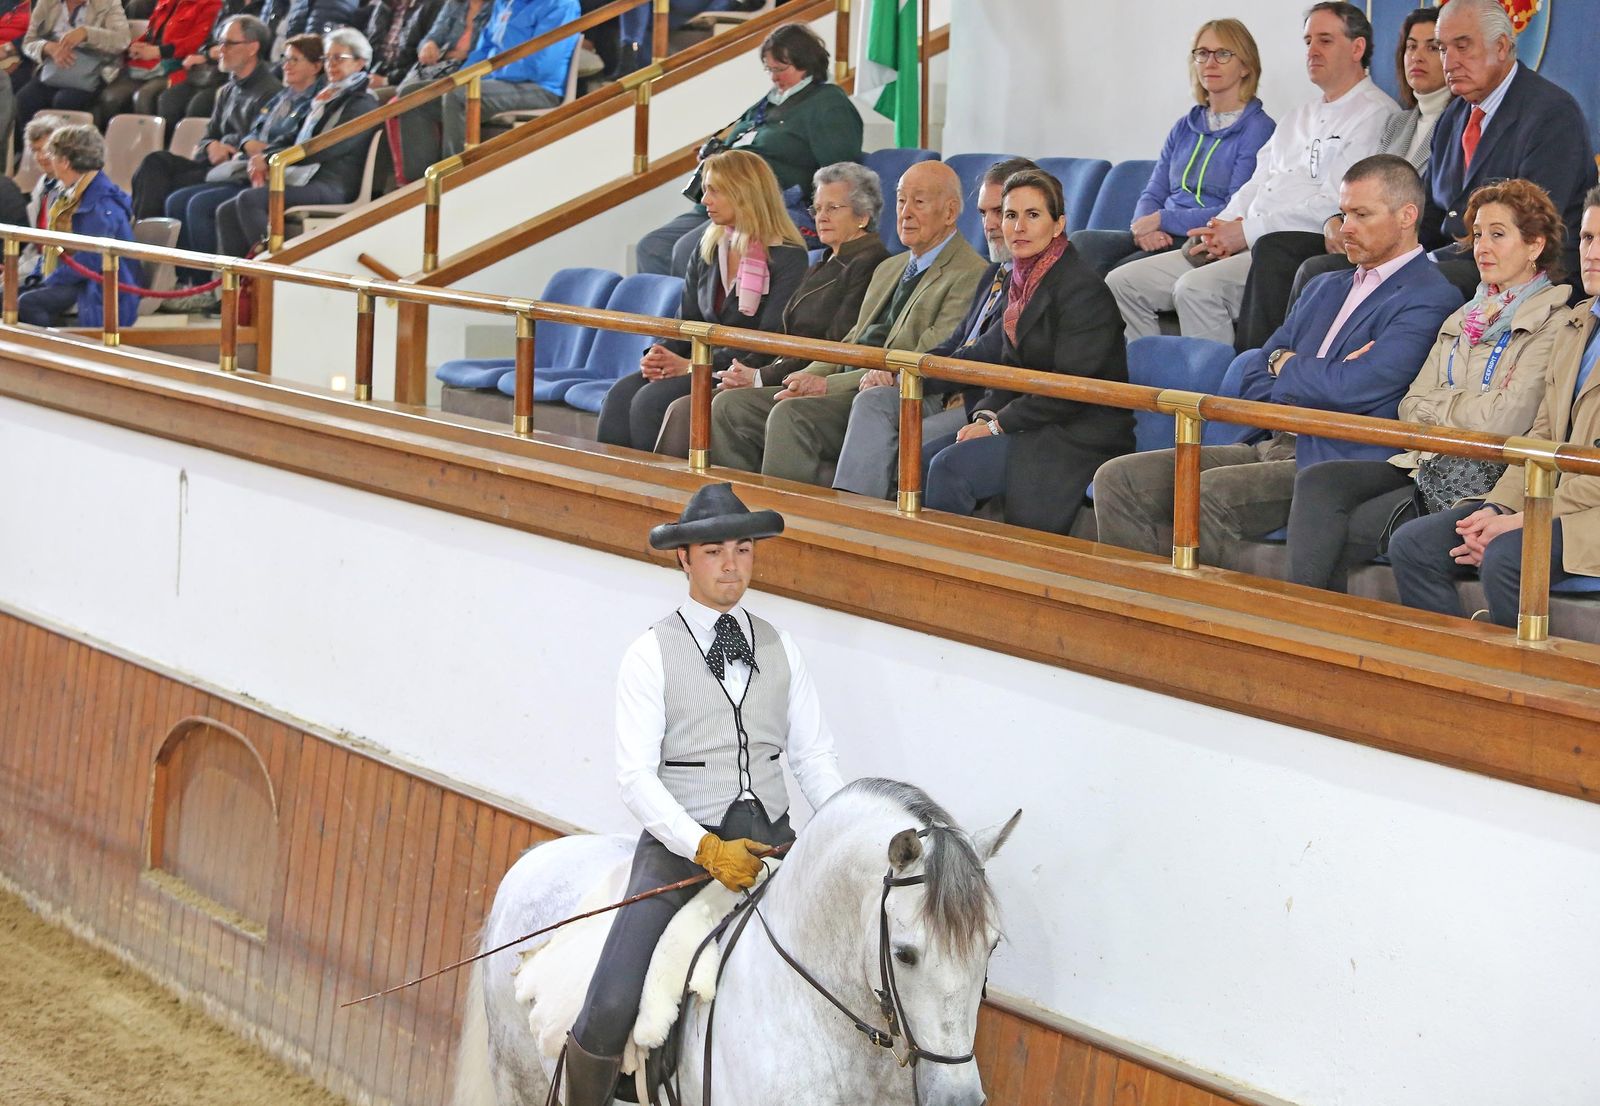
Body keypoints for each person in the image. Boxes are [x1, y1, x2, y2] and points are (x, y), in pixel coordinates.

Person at [561, 481, 845, 1106]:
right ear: (684, 559)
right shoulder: (649, 654)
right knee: (611, 1000)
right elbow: (635, 777)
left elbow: (813, 755)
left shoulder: (781, 645)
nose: (731, 565)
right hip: (682, 851)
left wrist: (846, 824)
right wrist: (706, 848)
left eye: (742, 550)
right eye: (714, 552)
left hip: (775, 847)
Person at [1094, 156, 1462, 571]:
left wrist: (1287, 365)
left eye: (1361, 214)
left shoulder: (1430, 296)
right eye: (1343, 214)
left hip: (1335, 460)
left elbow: (1357, 387)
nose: (1346, 228)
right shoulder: (1324, 285)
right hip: (1269, 441)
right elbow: (1254, 372)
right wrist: (1301, 370)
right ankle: (1141, 616)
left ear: (1407, 216)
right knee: (1118, 479)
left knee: (1205, 492)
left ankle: (1213, 628)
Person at [1287, 178, 1569, 591]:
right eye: (1476, 235)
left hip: (1486, 478)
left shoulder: (1554, 321)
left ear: (1534, 246)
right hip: (1427, 462)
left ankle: (1317, 632)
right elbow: (1410, 403)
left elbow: (1506, 418)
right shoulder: (1464, 314)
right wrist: (1461, 407)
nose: (1482, 248)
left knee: (1344, 528)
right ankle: (1308, 629)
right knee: (1319, 481)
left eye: (1497, 235)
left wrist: (1442, 407)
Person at [1105, 2, 1395, 348]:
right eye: (1307, 42)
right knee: (1123, 282)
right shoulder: (1297, 115)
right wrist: (1220, 228)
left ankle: (1214, 397)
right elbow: (1256, 183)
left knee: (1196, 289)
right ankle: (1153, 391)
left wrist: (1244, 231)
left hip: (1288, 245)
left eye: (1325, 41)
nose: (1312, 51)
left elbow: (1335, 205)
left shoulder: (1375, 114)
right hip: (1241, 237)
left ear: (1357, 48)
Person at [1388, 187, 1600, 627]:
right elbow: (1538, 440)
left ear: (1535, 246)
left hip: (1586, 509)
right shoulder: (1579, 325)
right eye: (1586, 238)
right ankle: (1453, 678)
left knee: (1506, 554)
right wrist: (1497, 509)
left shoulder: (1558, 318)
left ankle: (1523, 689)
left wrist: (1525, 518)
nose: (1592, 254)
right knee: (1414, 544)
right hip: (1549, 499)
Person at [708, 159, 987, 484]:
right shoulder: (891, 267)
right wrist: (803, 377)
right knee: (731, 406)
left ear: (951, 212)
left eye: (919, 202)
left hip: (899, 396)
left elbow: (928, 354)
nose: (905, 212)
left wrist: (827, 385)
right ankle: (732, 517)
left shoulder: (970, 273)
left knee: (791, 415)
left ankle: (792, 527)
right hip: (848, 382)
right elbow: (849, 342)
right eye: (901, 200)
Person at [923, 169, 1134, 535]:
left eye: (1032, 215)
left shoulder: (1082, 289)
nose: (1018, 226)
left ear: (1058, 225)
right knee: (923, 456)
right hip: (1032, 419)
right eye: (1010, 215)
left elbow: (1070, 387)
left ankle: (958, 580)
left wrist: (996, 424)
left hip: (1075, 431)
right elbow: (1010, 368)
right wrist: (984, 416)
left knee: (949, 467)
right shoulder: (1020, 282)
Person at [1240, 6, 1452, 345]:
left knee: (1292, 257)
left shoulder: (1454, 122)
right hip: (1363, 229)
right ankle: (1256, 367)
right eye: (1412, 46)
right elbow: (1366, 187)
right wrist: (1333, 220)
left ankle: (1274, 363)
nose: (1419, 56)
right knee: (1278, 249)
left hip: (1408, 240)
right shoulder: (1400, 122)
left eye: (1433, 47)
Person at [654, 159, 890, 458]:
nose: (821, 218)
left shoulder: (869, 264)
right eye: (817, 209)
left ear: (863, 215)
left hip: (813, 380)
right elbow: (783, 334)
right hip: (782, 369)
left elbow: (832, 344)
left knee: (698, 406)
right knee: (672, 404)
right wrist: (747, 370)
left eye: (833, 208)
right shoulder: (827, 260)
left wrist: (758, 376)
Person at [831, 156, 1036, 500]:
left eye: (1002, 213)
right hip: (946, 388)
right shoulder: (995, 274)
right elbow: (957, 344)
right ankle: (853, 517)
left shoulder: (1036, 284)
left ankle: (891, 535)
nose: (990, 224)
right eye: (984, 213)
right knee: (873, 402)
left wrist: (915, 375)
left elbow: (987, 354)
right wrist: (903, 375)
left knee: (916, 439)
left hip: (984, 402)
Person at [596, 149, 809, 453]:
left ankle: (655, 493)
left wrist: (691, 366)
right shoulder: (709, 247)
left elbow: (764, 340)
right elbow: (686, 319)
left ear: (746, 194)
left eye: (714, 191)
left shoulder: (788, 256)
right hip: (698, 361)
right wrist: (657, 354)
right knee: (620, 394)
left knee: (650, 401)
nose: (705, 200)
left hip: (739, 369)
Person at [635, 23, 863, 277]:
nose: (774, 76)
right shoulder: (769, 102)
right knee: (652, 247)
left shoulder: (827, 103)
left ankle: (693, 316)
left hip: (764, 207)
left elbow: (840, 171)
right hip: (719, 201)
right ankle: (663, 315)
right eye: (769, 69)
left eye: (780, 68)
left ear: (806, 62)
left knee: (687, 250)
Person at [1071, 19, 1274, 277]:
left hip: (1200, 237)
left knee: (1118, 274)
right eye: (1202, 53)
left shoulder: (1258, 129)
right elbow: (1155, 190)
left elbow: (1234, 209)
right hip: (1160, 233)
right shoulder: (1184, 126)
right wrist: (1146, 228)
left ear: (1246, 66)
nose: (1210, 62)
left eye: (1223, 54)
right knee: (1082, 244)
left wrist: (1163, 220)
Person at [1421, 0, 1594, 293]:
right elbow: (1429, 215)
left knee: (1417, 284)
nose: (1448, 63)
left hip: (1531, 275)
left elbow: (1529, 228)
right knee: (1338, 273)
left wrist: (1427, 263)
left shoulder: (1552, 113)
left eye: (1462, 47)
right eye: (1442, 48)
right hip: (1461, 265)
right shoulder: (1452, 117)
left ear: (1501, 47)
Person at [213, 27, 378, 257]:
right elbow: (293, 136)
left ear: (360, 63)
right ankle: (237, 286)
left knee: (250, 200)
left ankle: (274, 273)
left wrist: (273, 159)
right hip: (308, 177)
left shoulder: (362, 103)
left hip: (332, 183)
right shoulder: (326, 98)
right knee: (226, 210)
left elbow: (326, 147)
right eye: (327, 58)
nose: (331, 64)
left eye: (339, 58)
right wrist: (265, 156)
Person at [163, 32, 323, 263]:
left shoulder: (313, 104)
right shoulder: (281, 97)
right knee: (176, 199)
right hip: (247, 168)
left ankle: (208, 284)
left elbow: (295, 143)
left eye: (294, 60)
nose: (286, 65)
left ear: (316, 66)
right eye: (285, 59)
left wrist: (263, 151)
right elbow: (251, 133)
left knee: (198, 204)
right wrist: (248, 144)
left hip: (273, 175)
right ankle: (188, 281)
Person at [387, 0, 578, 185]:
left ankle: (454, 181)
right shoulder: (505, 3)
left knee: (460, 96)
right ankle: (420, 185)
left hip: (539, 88)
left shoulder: (561, 4)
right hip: (495, 81)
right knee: (413, 95)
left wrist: (481, 77)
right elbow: (483, 50)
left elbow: (541, 65)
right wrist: (461, 78)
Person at [130, 14, 280, 221]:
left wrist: (228, 146)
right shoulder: (229, 89)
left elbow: (262, 141)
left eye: (228, 43)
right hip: (214, 165)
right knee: (155, 162)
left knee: (165, 185)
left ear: (252, 48)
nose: (221, 50)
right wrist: (210, 146)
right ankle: (143, 239)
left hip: (238, 170)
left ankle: (148, 244)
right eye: (220, 43)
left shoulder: (270, 91)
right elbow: (208, 137)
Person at [16, 123, 140, 327]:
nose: (50, 162)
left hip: (98, 282)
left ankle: (52, 355)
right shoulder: (70, 193)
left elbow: (93, 257)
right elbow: (54, 247)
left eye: (53, 156)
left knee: (29, 303)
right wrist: (37, 275)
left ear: (64, 162)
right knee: (6, 295)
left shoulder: (100, 201)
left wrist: (52, 279)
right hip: (74, 274)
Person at [92, 0, 221, 126]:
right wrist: (137, 46)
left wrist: (159, 51)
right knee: (110, 97)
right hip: (146, 63)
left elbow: (197, 43)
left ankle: (151, 143)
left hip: (178, 67)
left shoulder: (211, 4)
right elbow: (150, 32)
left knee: (144, 96)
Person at [151, 0, 267, 131]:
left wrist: (216, 52)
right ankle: (170, 147)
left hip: (234, 74)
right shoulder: (230, 3)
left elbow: (260, 46)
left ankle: (198, 147)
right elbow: (209, 42)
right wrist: (208, 53)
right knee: (169, 98)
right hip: (210, 71)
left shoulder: (267, 5)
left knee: (199, 105)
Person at [16, 0, 130, 131]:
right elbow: (29, 42)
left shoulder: (108, 3)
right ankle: (32, 149)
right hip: (53, 70)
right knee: (25, 98)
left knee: (65, 101)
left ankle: (65, 150)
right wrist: (47, 47)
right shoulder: (46, 3)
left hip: (93, 70)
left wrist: (87, 33)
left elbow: (122, 40)